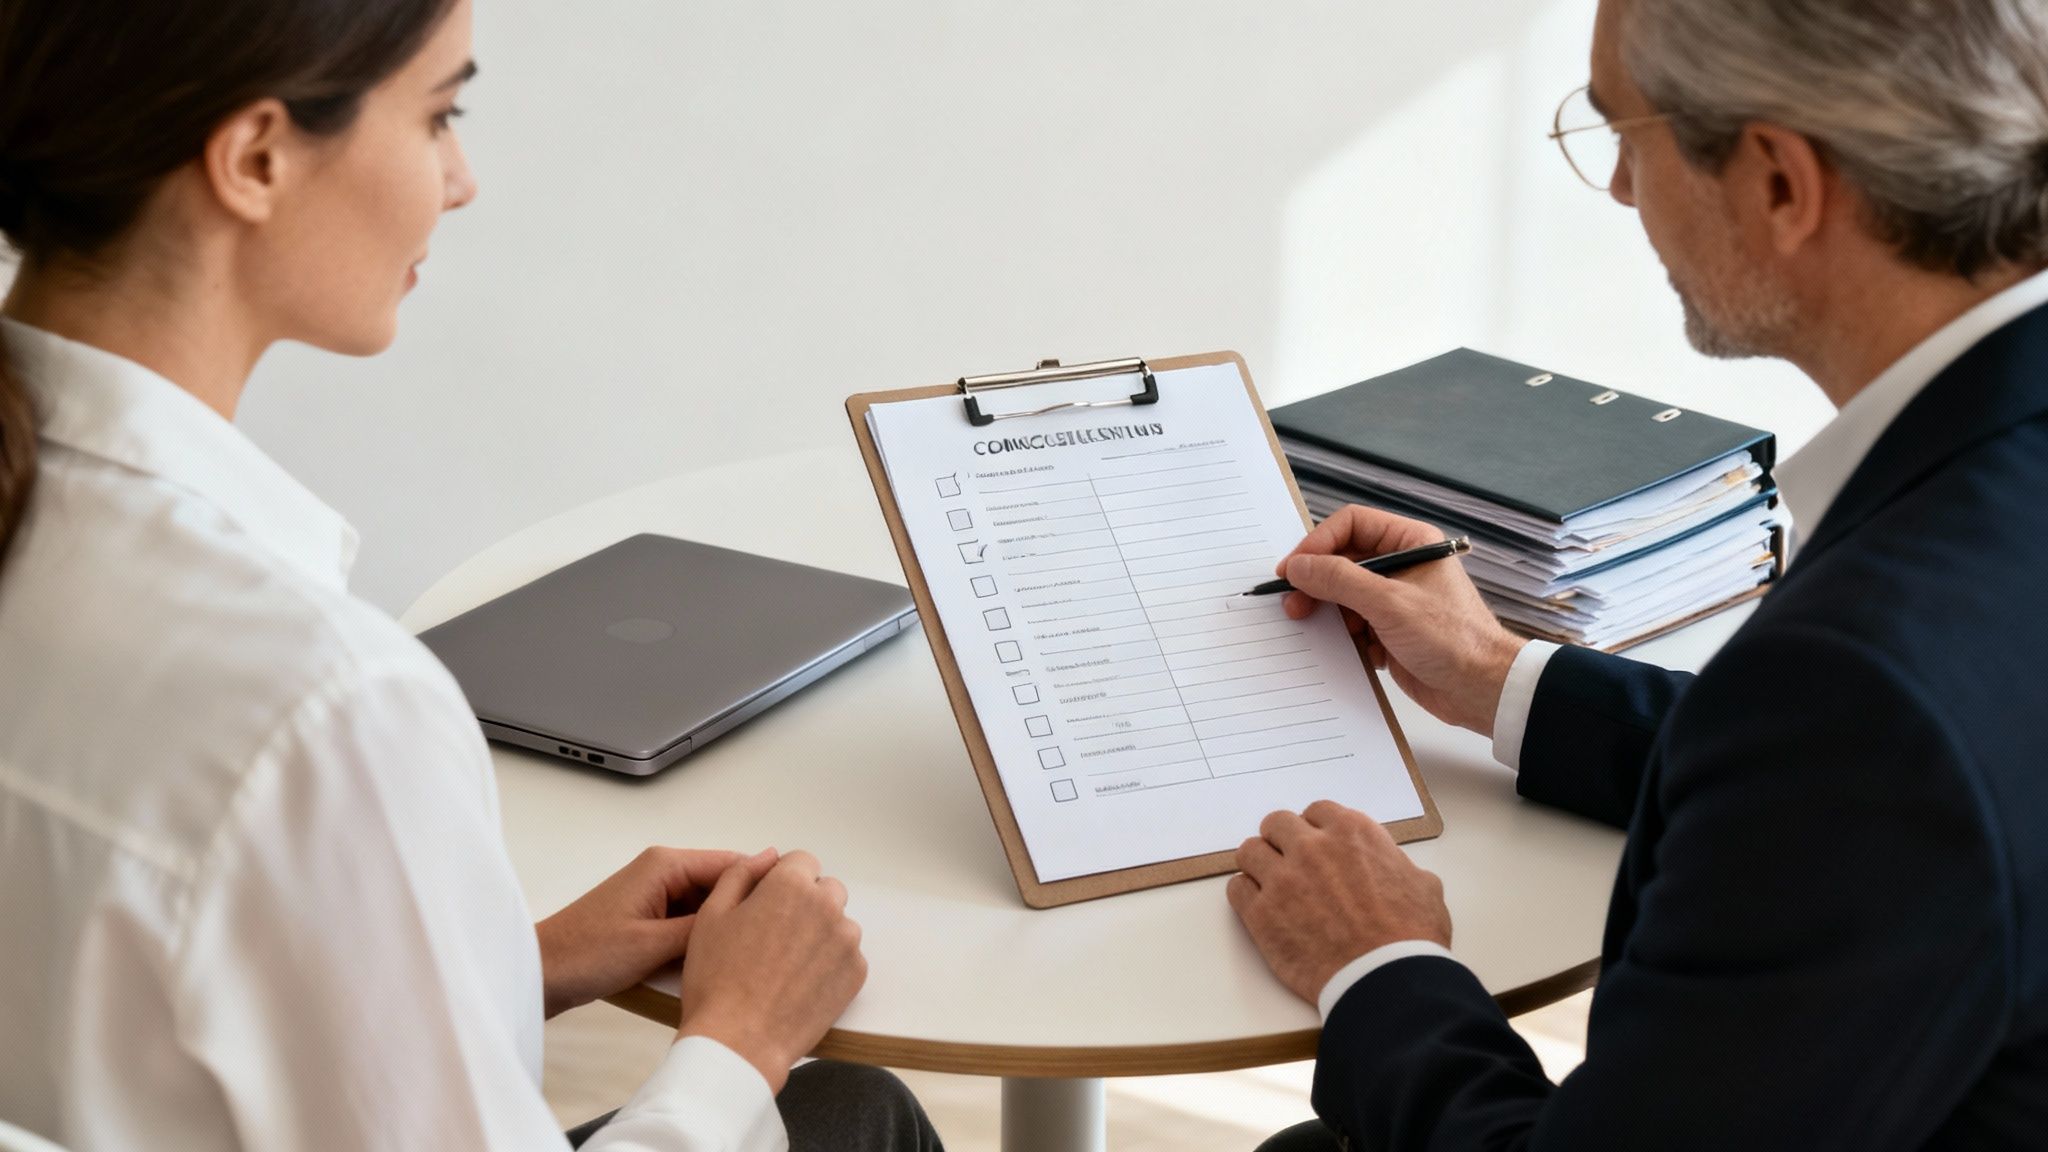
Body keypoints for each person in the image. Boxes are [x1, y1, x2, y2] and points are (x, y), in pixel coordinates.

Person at [0, 1, 939, 1149]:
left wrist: (504, 960)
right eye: (439, 116)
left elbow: (133, 990)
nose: (461, 179)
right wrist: (737, 1039)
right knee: (847, 1116)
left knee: (854, 1114)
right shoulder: (321, 710)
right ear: (255, 158)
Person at [1230, 0, 2048, 1147]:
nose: (1619, 190)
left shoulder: (1860, 684)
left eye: (1624, 129)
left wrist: (1377, 963)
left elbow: (1866, 753)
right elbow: (1879, 797)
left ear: (1775, 181)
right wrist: (1499, 675)